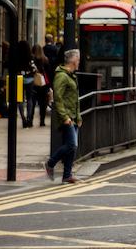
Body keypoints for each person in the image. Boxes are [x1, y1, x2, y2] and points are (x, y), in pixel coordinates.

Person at [44, 49, 82, 184]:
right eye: (78, 60)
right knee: (72, 145)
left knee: (71, 147)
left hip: (73, 116)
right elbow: (58, 98)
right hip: (66, 116)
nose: (79, 62)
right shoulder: (62, 76)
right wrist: (65, 117)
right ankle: (50, 163)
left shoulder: (71, 76)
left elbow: (75, 99)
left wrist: (78, 116)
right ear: (73, 61)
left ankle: (67, 175)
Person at [30, 44, 51, 127]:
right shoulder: (45, 59)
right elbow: (48, 73)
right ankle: (42, 121)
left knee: (32, 103)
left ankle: (30, 120)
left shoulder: (32, 60)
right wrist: (49, 86)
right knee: (43, 103)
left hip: (33, 83)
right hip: (43, 84)